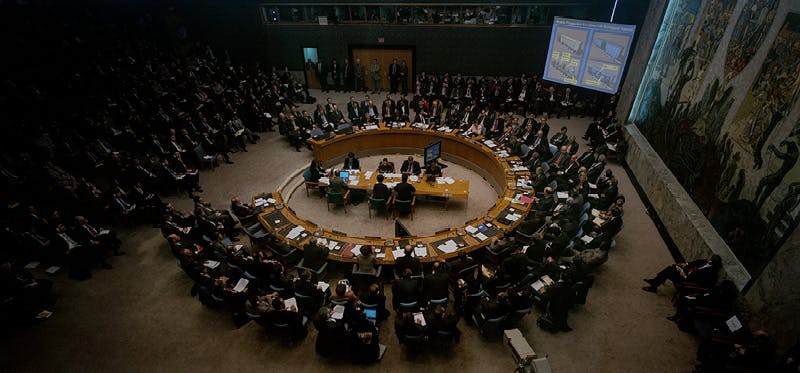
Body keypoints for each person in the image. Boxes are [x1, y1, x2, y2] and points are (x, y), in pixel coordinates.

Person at [642, 254, 723, 293]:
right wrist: (686, 264)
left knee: (669, 271)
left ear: (711, 262)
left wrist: (684, 275)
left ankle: (654, 284)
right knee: (671, 268)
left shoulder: (710, 272)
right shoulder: (705, 262)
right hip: (686, 272)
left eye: (710, 258)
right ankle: (655, 282)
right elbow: (695, 262)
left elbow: (698, 280)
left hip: (687, 280)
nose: (708, 258)